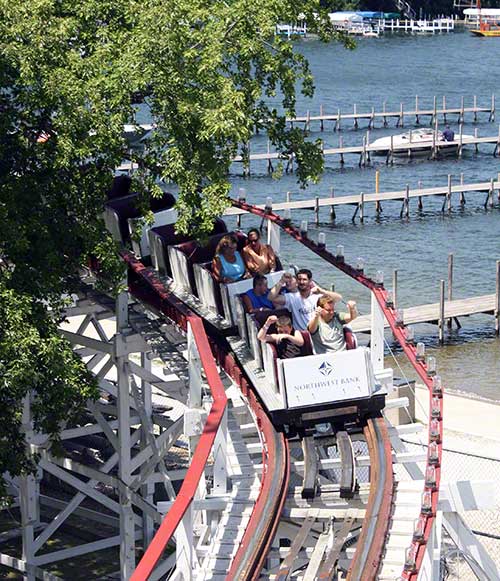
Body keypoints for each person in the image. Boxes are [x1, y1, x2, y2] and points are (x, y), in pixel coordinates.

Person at [268, 268, 342, 330]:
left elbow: (338, 298)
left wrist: (322, 291)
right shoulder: (291, 297)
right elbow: (270, 297)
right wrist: (281, 281)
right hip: (302, 334)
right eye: (299, 279)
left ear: (310, 281)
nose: (302, 282)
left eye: (304, 279)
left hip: (317, 332)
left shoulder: (317, 296)